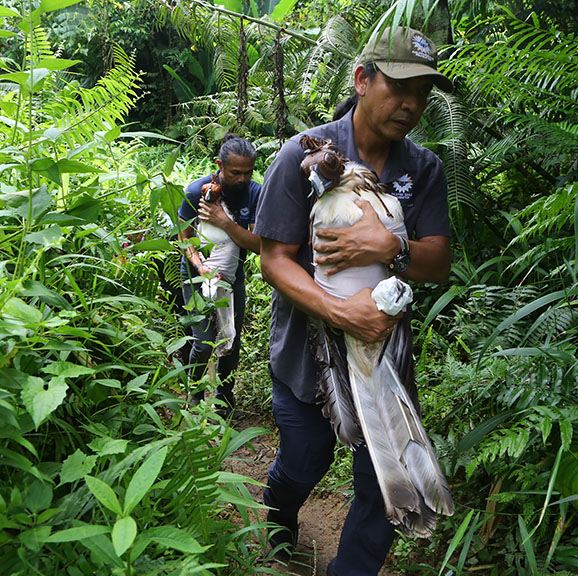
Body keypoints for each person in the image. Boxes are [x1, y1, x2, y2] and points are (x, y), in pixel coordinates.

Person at [254, 27, 453, 575]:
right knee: (305, 459)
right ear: (363, 81)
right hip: (305, 354)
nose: (411, 104)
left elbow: (439, 260)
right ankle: (278, 520)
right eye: (400, 87)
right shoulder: (303, 156)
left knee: (377, 484)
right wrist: (342, 312)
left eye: (423, 93)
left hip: (382, 358)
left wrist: (392, 245)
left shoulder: (423, 168)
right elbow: (274, 259)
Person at [178, 134, 261, 413]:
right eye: (235, 172)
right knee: (203, 342)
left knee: (231, 339)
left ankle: (224, 399)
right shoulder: (195, 192)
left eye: (247, 172)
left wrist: (226, 223)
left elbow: (260, 245)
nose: (242, 179)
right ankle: (194, 394)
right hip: (196, 273)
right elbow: (183, 238)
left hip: (232, 275)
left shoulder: (255, 193)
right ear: (219, 165)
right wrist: (200, 267)